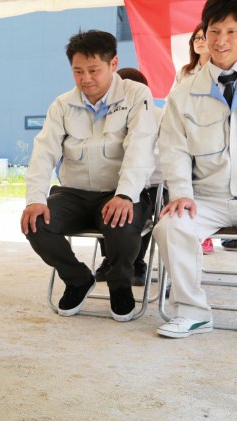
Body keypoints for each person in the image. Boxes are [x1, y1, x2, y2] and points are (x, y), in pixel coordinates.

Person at [21, 30, 157, 322]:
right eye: (78, 71)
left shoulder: (136, 95)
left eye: (93, 70)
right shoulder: (62, 104)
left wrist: (125, 195)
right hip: (74, 193)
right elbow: (43, 153)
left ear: (113, 63)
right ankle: (78, 279)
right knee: (35, 223)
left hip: (119, 192)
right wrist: (34, 199)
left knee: (123, 222)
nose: (86, 79)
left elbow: (140, 147)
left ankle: (120, 285)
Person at [153, 0, 237, 338]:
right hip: (208, 197)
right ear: (203, 33)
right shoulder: (184, 92)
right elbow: (173, 148)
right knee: (171, 227)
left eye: (231, 31)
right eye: (214, 31)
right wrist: (182, 194)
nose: (221, 40)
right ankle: (192, 312)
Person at [95, 67, 166, 287]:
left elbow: (160, 156)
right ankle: (111, 259)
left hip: (154, 183)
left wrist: (134, 176)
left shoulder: (158, 115)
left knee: (136, 208)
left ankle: (136, 262)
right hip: (114, 181)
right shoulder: (105, 115)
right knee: (102, 201)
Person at [175, 24, 217, 255]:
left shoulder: (223, 71)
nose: (199, 42)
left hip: (210, 136)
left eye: (203, 38)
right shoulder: (184, 72)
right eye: (196, 39)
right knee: (185, 182)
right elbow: (174, 102)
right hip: (185, 133)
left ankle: (206, 235)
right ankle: (194, 232)